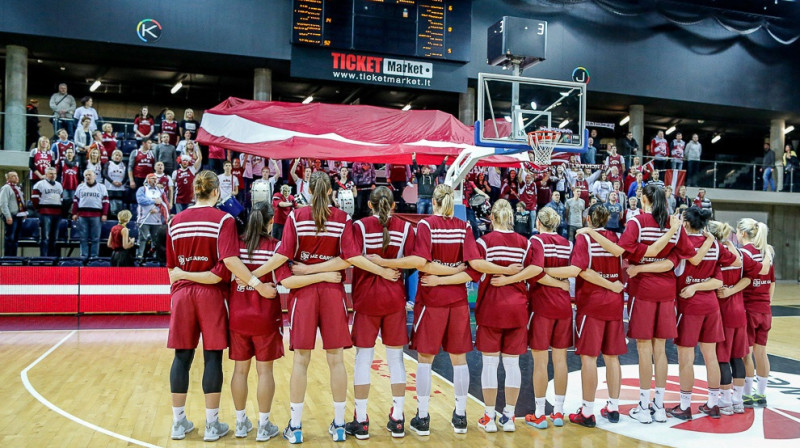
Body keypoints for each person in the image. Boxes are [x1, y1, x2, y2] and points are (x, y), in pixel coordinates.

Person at [247, 171, 359, 443]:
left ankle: (295, 427)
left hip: (304, 294)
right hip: (333, 292)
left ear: (307, 190)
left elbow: (283, 256)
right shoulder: (343, 219)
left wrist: (252, 275)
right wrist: (323, 269)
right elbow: (348, 260)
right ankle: (341, 425)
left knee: (301, 361)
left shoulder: (296, 217)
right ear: (332, 192)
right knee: (336, 361)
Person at [165, 170, 272, 442]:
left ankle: (178, 423)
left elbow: (172, 269)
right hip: (211, 296)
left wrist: (185, 275)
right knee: (212, 357)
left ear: (194, 191)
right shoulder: (224, 220)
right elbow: (221, 270)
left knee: (181, 357)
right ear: (216, 192)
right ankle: (212, 425)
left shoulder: (174, 221)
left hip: (181, 295)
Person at [580, 185, 690, 424]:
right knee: (661, 349)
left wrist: (641, 264)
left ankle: (643, 405)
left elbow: (624, 251)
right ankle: (659, 406)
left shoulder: (637, 223)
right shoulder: (673, 223)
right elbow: (683, 256)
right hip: (667, 291)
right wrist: (668, 252)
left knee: (644, 349)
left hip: (643, 290)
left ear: (643, 199)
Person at [399, 184, 481, 436]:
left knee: (425, 360)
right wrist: (455, 271)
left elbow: (424, 265)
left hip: (432, 299)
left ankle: (422, 417)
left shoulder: (424, 226)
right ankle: (460, 416)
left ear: (433, 202)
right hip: (457, 300)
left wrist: (440, 276)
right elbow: (472, 270)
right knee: (460, 360)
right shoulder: (464, 226)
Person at [340, 187, 416, 439]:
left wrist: (379, 266)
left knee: (363, 359)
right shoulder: (405, 227)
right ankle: (398, 417)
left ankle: (361, 420)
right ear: (393, 205)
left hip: (367, 299)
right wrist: (388, 267)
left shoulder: (359, 227)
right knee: (396, 360)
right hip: (394, 299)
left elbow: (351, 257)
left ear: (369, 205)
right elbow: (416, 260)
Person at [498, 207, 573, 430]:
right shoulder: (567, 243)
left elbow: (536, 272)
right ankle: (558, 411)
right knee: (561, 360)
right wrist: (561, 282)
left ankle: (540, 413)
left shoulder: (536, 242)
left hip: (542, 305)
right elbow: (573, 270)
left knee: (540, 361)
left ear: (538, 223)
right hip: (564, 306)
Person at [668, 207, 736, 420]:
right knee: (711, 357)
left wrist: (694, 286)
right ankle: (713, 404)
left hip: (689, 307)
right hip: (712, 306)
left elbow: (688, 262)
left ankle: (685, 406)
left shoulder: (681, 243)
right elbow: (734, 261)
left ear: (686, 223)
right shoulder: (714, 244)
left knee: (686, 359)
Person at [468, 200, 530, 433]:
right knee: (513, 365)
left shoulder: (484, 242)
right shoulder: (525, 243)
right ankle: (510, 417)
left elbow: (474, 269)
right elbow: (531, 272)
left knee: (490, 364)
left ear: (492, 218)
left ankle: (488, 416)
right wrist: (509, 274)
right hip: (517, 309)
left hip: (491, 308)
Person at [567, 204, 627, 427]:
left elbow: (582, 270)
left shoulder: (584, 238)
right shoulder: (617, 238)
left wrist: (609, 285)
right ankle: (613, 407)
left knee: (589, 358)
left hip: (592, 304)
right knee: (613, 357)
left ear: (589, 218)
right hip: (614, 304)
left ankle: (588, 411)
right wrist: (614, 285)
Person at [709, 220, 762, 415]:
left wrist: (727, 290)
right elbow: (754, 273)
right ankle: (738, 400)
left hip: (722, 311)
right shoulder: (738, 253)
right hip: (740, 310)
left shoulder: (716, 254)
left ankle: (725, 401)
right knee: (737, 357)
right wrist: (733, 290)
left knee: (722, 357)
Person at [737, 218, 775, 408]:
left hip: (748, 308)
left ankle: (746, 394)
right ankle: (761, 393)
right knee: (762, 352)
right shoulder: (766, 253)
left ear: (742, 233)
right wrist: (767, 303)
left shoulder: (743, 254)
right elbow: (772, 282)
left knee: (747, 354)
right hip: (765, 309)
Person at [72, 170, 109, 258]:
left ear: (95, 176)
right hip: (82, 215)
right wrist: (74, 213)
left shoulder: (101, 187)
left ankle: (94, 256)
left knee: (95, 238)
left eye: (90, 175)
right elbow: (75, 201)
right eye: (86, 175)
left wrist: (104, 214)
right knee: (83, 238)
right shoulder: (80, 187)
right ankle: (83, 256)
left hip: (96, 216)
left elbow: (106, 202)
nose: (88, 176)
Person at [32, 167, 63, 257]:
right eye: (50, 174)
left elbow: (61, 199)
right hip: (45, 213)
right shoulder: (39, 184)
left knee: (54, 238)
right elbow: (34, 199)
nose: (53, 175)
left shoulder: (59, 185)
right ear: (46, 175)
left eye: (54, 174)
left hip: (57, 214)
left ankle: (52, 258)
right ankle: (44, 258)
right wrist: (39, 209)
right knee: (45, 237)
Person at [136, 173, 168, 259]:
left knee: (156, 240)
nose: (155, 180)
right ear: (148, 180)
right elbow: (140, 200)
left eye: (156, 178)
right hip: (144, 219)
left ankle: (155, 257)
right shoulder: (142, 189)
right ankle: (140, 256)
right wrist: (153, 201)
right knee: (143, 239)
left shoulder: (160, 191)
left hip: (156, 220)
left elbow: (164, 203)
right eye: (152, 178)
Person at [1, 172, 28, 256]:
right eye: (13, 176)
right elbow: (3, 203)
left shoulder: (18, 188)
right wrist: (8, 216)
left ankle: (14, 258)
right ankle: (8, 259)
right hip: (11, 216)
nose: (16, 177)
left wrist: (24, 213)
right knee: (10, 238)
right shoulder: (6, 188)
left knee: (15, 239)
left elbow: (21, 202)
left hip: (19, 216)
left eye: (17, 176)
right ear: (8, 178)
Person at [59, 147, 80, 216]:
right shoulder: (62, 163)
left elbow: (79, 175)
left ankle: (70, 215)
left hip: (74, 186)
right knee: (64, 202)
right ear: (65, 154)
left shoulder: (77, 164)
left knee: (74, 202)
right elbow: (59, 175)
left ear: (73, 154)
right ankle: (64, 215)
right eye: (68, 152)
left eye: (71, 152)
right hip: (64, 186)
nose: (69, 154)